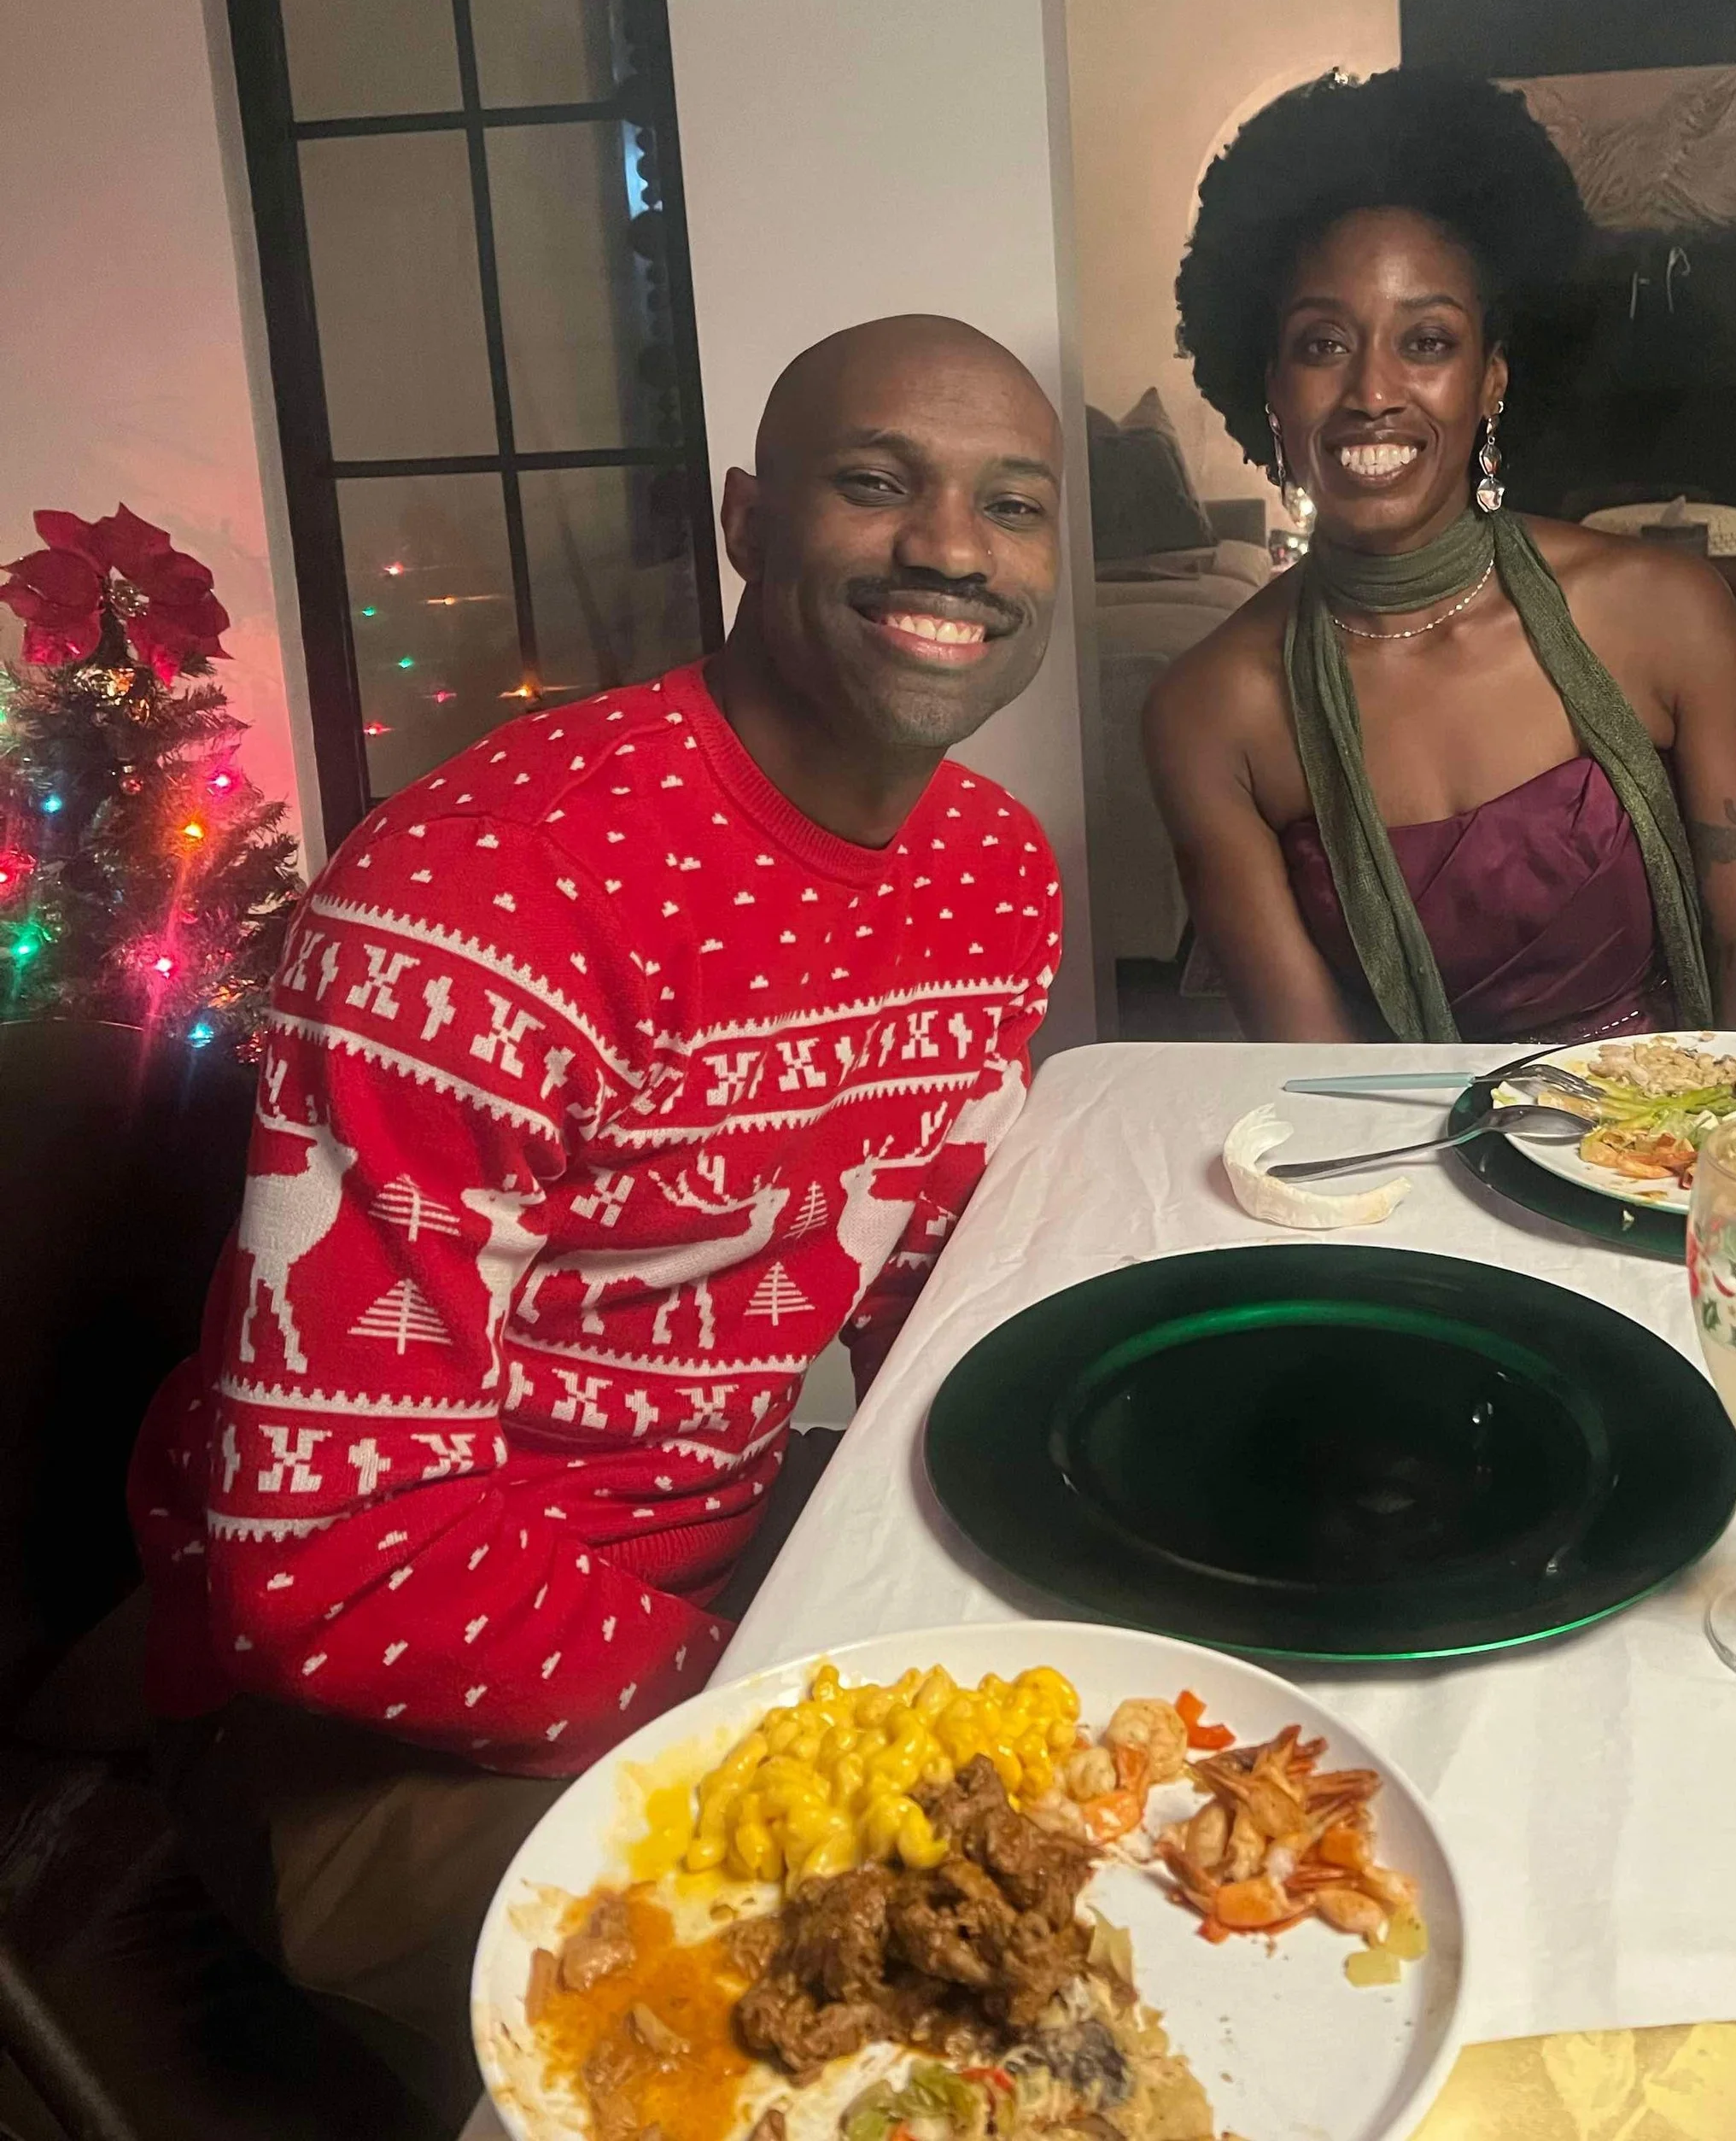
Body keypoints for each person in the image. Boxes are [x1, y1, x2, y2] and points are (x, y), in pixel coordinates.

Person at [129, 313, 1066, 2117]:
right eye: (875, 482)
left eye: (1009, 505)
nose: (950, 548)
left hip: (725, 1581)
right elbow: (326, 1554)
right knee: (923, 2045)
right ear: (745, 517)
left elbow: (936, 1292)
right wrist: (795, 1724)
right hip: (366, 1736)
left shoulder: (988, 871)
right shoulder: (475, 895)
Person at [1144, 67, 1736, 1045]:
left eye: (1425, 340)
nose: (1373, 391)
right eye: (1321, 344)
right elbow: (1307, 1081)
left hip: (1675, 1164)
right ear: (1269, 385)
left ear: (1491, 379)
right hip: (1386, 1171)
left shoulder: (1662, 611)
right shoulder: (1209, 713)